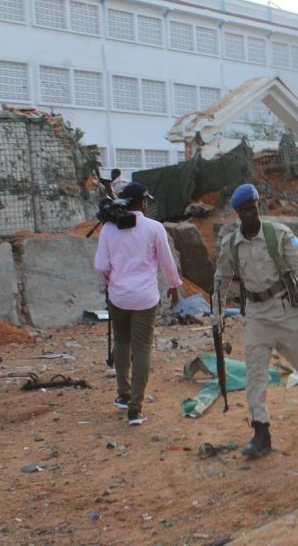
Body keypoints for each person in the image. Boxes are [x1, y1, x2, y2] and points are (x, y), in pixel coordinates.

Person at [212, 184, 298, 458]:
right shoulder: (231, 245)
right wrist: (216, 314)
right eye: (243, 210)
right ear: (236, 212)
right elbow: (221, 280)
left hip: (286, 311)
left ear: (258, 206)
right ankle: (261, 432)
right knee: (254, 374)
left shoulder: (278, 235)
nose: (248, 214)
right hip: (257, 315)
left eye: (252, 208)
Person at [94, 182, 182, 426]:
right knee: (142, 347)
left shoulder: (109, 228)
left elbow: (101, 266)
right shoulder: (154, 228)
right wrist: (174, 285)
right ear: (142, 202)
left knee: (122, 341)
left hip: (118, 296)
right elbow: (167, 262)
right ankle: (135, 408)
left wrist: (109, 282)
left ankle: (123, 395)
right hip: (145, 297)